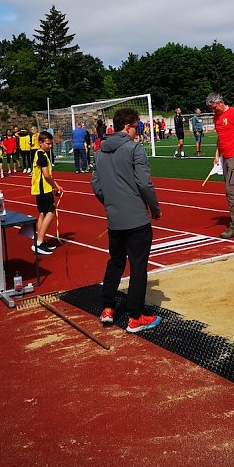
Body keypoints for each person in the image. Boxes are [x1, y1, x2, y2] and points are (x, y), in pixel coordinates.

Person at [92, 107, 162, 333]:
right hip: (136, 219)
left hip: (114, 219)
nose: (137, 131)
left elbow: (97, 185)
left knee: (115, 261)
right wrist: (154, 206)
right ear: (128, 126)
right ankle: (135, 316)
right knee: (138, 266)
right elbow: (144, 183)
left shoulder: (100, 151)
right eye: (137, 127)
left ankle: (107, 308)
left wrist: (111, 203)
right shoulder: (134, 149)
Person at [207, 92, 234, 238]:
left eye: (214, 107)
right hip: (225, 158)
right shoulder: (216, 117)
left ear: (220, 102)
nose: (214, 110)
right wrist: (217, 154)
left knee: (231, 192)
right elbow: (220, 137)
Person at [31, 131, 63, 254]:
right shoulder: (42, 156)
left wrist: (55, 185)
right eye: (48, 144)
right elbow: (46, 175)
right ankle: (39, 242)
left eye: (51, 144)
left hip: (41, 189)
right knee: (51, 213)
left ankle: (40, 241)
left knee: (42, 214)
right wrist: (55, 186)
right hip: (43, 189)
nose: (50, 146)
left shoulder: (40, 154)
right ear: (40, 143)